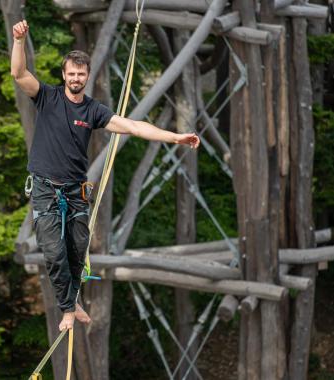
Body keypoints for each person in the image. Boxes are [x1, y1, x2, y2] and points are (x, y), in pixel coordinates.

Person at [11, 20, 200, 331]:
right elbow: (19, 74)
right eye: (70, 74)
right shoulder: (47, 97)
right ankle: (68, 309)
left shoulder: (93, 111)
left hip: (74, 191)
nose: (75, 78)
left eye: (80, 75)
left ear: (87, 77)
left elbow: (135, 127)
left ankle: (74, 302)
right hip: (45, 188)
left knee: (77, 249)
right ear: (64, 75)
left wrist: (175, 137)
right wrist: (19, 41)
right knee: (54, 252)